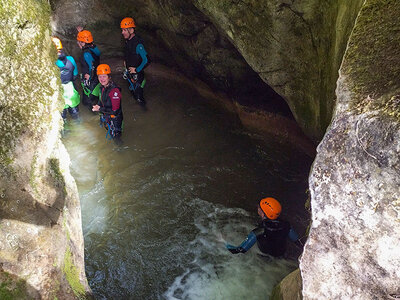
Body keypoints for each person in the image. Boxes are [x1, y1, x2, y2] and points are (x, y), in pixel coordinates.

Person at [226, 197, 302, 257]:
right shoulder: (286, 225)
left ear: (262, 214)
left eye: (259, 208)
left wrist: (224, 245)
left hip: (265, 256)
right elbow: (298, 242)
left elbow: (240, 250)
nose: (258, 208)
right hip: (282, 254)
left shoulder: (259, 231)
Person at [121, 17, 149, 106]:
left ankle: (144, 111)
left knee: (139, 97)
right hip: (130, 74)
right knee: (132, 91)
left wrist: (136, 70)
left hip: (138, 75)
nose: (122, 32)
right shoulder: (128, 41)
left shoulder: (138, 44)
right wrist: (126, 61)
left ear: (131, 30)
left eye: (124, 30)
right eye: (122, 30)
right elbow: (129, 53)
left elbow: (147, 60)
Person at [92, 64, 123, 144]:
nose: (102, 79)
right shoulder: (102, 87)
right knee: (111, 134)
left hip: (115, 120)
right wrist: (98, 105)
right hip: (108, 116)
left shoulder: (114, 91)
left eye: (104, 76)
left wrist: (99, 109)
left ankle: (121, 151)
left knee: (116, 139)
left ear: (109, 77)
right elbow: (101, 99)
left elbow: (115, 111)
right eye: (100, 76)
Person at [52, 37, 80, 120]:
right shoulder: (70, 59)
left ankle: (65, 131)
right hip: (71, 89)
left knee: (62, 117)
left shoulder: (52, 63)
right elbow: (75, 74)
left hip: (59, 91)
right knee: (75, 114)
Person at [76, 29, 101, 108]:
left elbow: (92, 66)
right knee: (95, 97)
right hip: (97, 78)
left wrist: (90, 76)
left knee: (87, 102)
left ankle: (94, 113)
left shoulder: (86, 53)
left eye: (79, 42)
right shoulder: (93, 48)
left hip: (91, 81)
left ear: (83, 43)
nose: (78, 44)